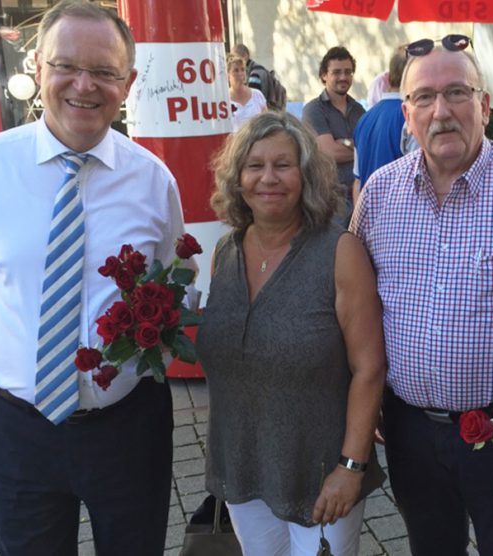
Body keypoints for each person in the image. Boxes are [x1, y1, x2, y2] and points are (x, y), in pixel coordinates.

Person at [0, 1, 191, 554]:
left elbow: (174, 287)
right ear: (38, 66)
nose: (83, 86)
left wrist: (151, 363)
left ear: (129, 82)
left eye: (105, 72)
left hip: (128, 425)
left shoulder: (153, 181)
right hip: (19, 430)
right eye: (66, 65)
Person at [351, 34, 493, 555]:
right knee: (430, 547)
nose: (441, 111)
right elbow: (359, 309)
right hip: (408, 427)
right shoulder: (379, 194)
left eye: (456, 93)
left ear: (485, 105)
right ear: (406, 113)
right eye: (424, 98)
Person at [197, 111, 386, 556]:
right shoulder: (225, 252)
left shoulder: (339, 252)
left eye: (283, 165)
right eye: (255, 165)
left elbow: (369, 368)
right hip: (244, 465)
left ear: (305, 175)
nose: (268, 178)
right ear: (237, 177)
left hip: (319, 472)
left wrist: (351, 466)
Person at [302, 46, 365, 220]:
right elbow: (329, 152)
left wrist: (343, 143)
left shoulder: (359, 110)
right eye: (336, 72)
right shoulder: (313, 110)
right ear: (324, 75)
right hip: (330, 199)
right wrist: (357, 147)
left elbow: (370, 148)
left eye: (348, 72)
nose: (343, 77)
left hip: (360, 195)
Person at [352, 46, 408, 202]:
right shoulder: (411, 117)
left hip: (369, 216)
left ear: (389, 77)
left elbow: (358, 182)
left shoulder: (363, 120)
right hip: (400, 216)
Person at [227, 53, 267, 132]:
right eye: (236, 70)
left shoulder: (257, 95)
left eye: (242, 69)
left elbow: (266, 124)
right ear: (228, 75)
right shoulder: (223, 100)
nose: (240, 74)